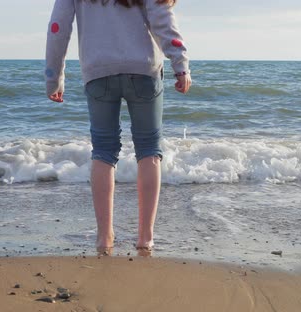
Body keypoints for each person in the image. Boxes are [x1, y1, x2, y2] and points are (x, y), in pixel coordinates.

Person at [45, 0, 192, 256]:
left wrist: (54, 77)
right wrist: (180, 63)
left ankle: (104, 237)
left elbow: (58, 28)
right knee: (149, 150)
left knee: (103, 151)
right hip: (144, 70)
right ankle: (145, 237)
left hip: (98, 71)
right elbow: (162, 19)